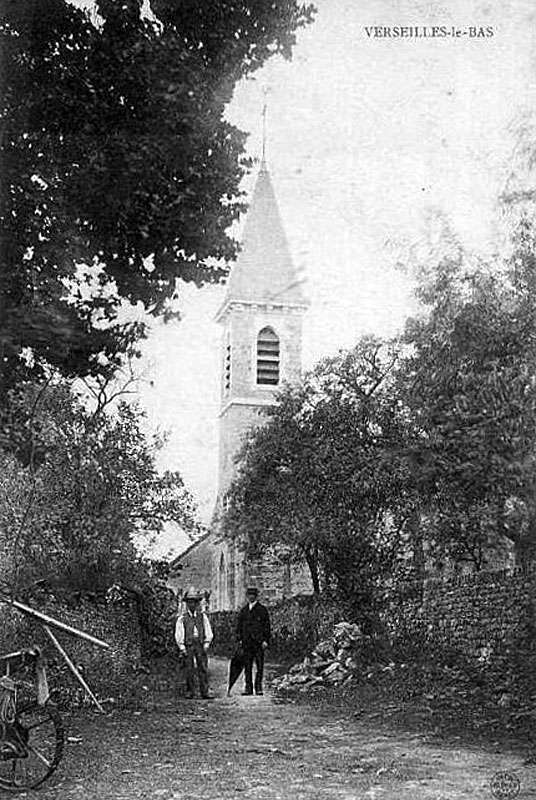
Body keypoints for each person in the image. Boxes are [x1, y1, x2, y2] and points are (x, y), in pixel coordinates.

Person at [175, 587, 214, 699]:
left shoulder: (203, 616)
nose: (192, 604)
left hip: (200, 644)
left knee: (203, 668)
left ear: (197, 603)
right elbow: (179, 633)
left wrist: (207, 643)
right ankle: (190, 691)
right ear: (187, 604)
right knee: (189, 669)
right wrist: (182, 647)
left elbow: (208, 630)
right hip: (189, 645)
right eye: (189, 602)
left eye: (194, 602)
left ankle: (204, 692)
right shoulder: (182, 618)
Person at [236, 587, 271, 696]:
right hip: (247, 642)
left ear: (256, 596)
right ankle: (248, 688)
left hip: (258, 642)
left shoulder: (262, 610)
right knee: (247, 666)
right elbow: (239, 627)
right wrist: (240, 639)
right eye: (249, 595)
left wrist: (265, 640)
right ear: (247, 596)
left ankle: (258, 687)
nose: (251, 597)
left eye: (253, 595)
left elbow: (267, 626)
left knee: (260, 665)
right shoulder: (244, 611)